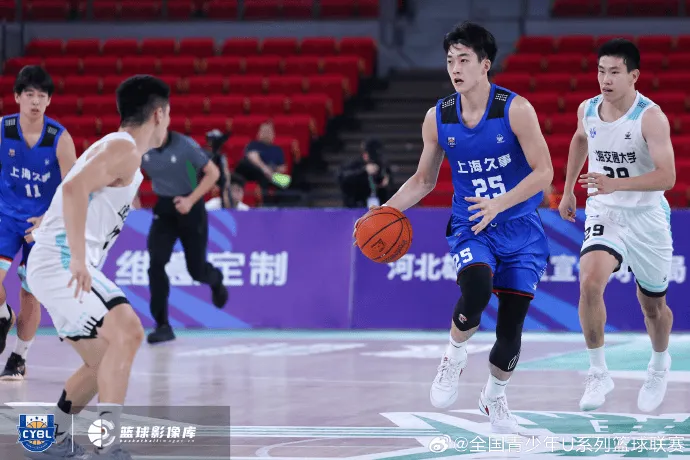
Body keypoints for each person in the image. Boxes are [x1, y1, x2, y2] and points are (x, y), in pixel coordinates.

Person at [353, 22, 553, 433]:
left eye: (464, 60)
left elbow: (544, 172)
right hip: (471, 223)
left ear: (485, 64)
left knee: (511, 328)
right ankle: (454, 355)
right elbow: (424, 180)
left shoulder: (515, 110)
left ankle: (494, 398)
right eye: (450, 61)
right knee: (476, 289)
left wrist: (500, 203)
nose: (455, 68)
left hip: (519, 227)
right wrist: (382, 212)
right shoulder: (439, 117)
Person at [25, 75, 171, 459]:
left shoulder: (118, 150)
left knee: (102, 359)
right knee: (128, 332)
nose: (169, 123)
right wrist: (76, 256)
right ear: (158, 114)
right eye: (168, 115)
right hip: (61, 261)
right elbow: (74, 189)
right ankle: (108, 447)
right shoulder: (124, 149)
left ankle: (51, 439)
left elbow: (76, 189)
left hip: (52, 261)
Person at [558, 39, 675, 413]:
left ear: (633, 76)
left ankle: (659, 365)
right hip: (604, 211)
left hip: (647, 216)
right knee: (589, 281)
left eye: (614, 72)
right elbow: (580, 139)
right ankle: (598, 372)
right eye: (600, 71)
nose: (605, 79)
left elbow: (668, 176)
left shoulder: (650, 117)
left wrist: (616, 183)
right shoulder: (588, 109)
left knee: (653, 307)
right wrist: (567, 190)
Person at [0, 66, 77, 381]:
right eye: (29, 94)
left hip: (43, 223)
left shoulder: (60, 138)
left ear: (49, 101)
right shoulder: (3, 129)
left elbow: (73, 188)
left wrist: (48, 220)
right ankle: (3, 315)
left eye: (41, 96)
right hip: (6, 216)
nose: (35, 101)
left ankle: (19, 357)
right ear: (17, 97)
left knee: (30, 294)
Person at [139, 128, 227, 345]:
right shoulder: (141, 146)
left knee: (196, 270)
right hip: (165, 208)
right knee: (156, 264)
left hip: (191, 206)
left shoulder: (185, 145)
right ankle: (162, 325)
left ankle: (216, 280)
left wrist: (190, 201)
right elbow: (126, 172)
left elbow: (214, 173)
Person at [338, 138, 394, 208]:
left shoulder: (382, 167)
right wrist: (363, 171)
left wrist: (386, 183)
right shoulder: (354, 165)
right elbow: (343, 179)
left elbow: (389, 189)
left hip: (378, 206)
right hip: (355, 206)